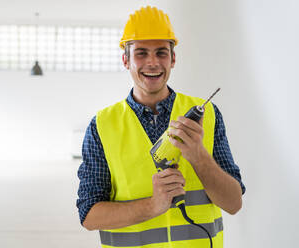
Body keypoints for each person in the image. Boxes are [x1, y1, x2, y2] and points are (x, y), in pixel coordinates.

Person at [77, 6, 245, 248]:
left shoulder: (207, 115)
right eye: (141, 53)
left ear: (173, 59)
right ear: (126, 60)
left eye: (161, 53)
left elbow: (233, 203)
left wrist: (199, 157)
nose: (153, 63)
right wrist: (153, 205)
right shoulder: (102, 125)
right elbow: (89, 215)